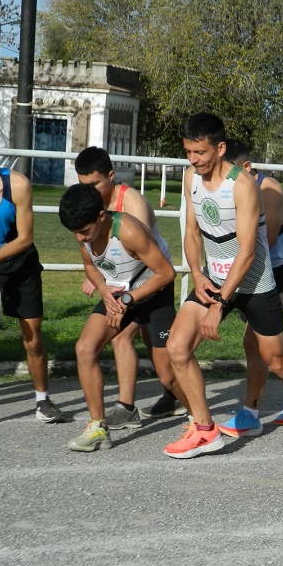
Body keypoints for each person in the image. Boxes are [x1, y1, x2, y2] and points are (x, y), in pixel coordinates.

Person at [163, 112, 283, 459]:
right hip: (214, 282)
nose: (194, 160)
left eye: (200, 153)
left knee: (280, 363)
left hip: (255, 285)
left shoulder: (243, 185)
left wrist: (220, 305)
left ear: (220, 148)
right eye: (188, 152)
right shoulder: (189, 178)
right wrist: (197, 273)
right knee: (177, 347)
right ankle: (205, 429)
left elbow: (248, 253)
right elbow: (192, 232)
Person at [58, 184, 177, 452]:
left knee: (168, 375)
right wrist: (104, 290)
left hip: (152, 290)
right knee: (85, 348)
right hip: (120, 294)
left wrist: (128, 300)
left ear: (101, 217)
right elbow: (90, 266)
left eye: (85, 232)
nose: (81, 238)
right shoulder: (82, 234)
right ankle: (98, 426)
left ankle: (199, 420)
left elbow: (166, 273)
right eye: (76, 233)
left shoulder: (129, 230)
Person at [74, 146, 184, 425]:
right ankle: (127, 407)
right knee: (120, 339)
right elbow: (94, 255)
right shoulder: (90, 209)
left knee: (158, 356)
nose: (89, 191)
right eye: (83, 185)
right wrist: (101, 284)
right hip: (122, 285)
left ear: (111, 176)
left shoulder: (132, 204)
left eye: (95, 184)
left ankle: (191, 406)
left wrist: (118, 297)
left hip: (149, 280)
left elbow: (141, 262)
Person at [217, 139, 283, 436]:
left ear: (245, 167)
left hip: (274, 272)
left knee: (254, 344)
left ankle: (251, 413)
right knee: (271, 346)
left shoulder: (268, 190)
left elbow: (262, 243)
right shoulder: (231, 186)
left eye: (228, 170)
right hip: (242, 271)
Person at [0, 167, 67, 422]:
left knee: (33, 338)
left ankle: (42, 401)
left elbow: (25, 238)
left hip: (18, 262)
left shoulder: (17, 184)